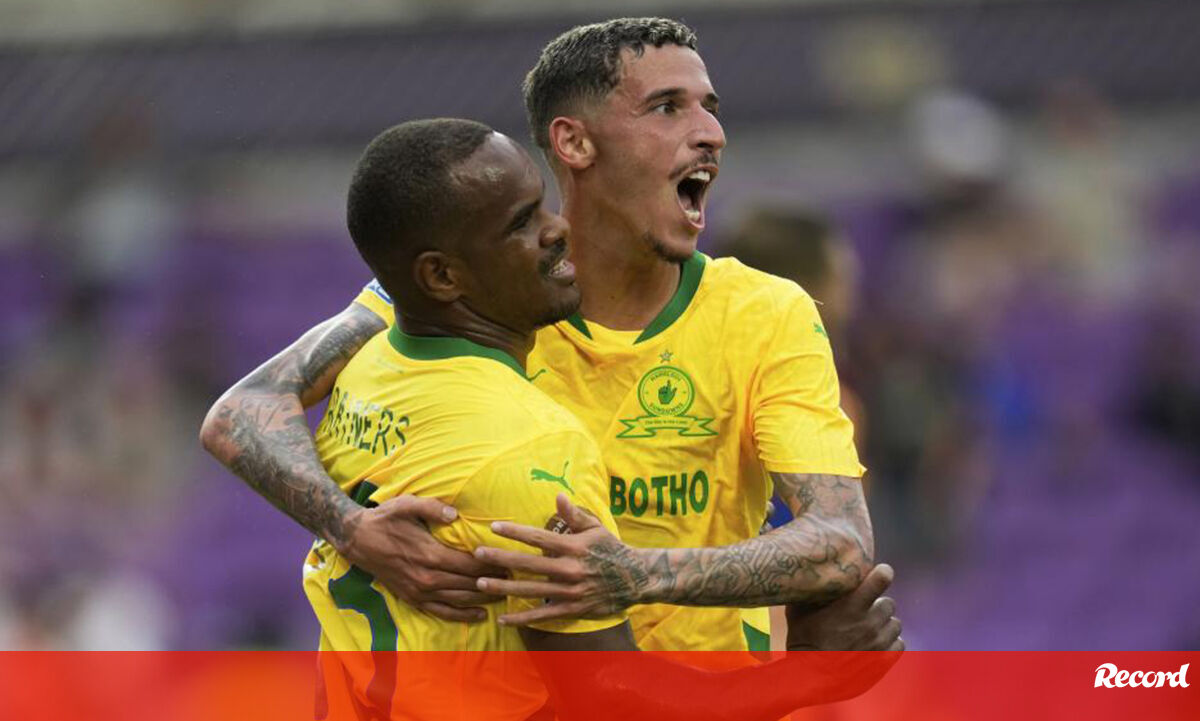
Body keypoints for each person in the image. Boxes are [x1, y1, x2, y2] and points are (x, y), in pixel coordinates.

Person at [201, 17, 901, 655]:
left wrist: (637, 574)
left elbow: (842, 541)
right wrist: (349, 526)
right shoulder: (467, 296)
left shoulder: (766, 314)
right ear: (574, 142)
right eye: (667, 107)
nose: (710, 132)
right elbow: (240, 413)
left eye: (709, 107)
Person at [302, 116, 895, 721]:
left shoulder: (364, 369)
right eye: (522, 223)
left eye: (540, 206)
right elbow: (608, 698)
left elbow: (251, 407)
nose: (557, 228)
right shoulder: (533, 445)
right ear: (442, 275)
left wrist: (346, 525)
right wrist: (808, 678)